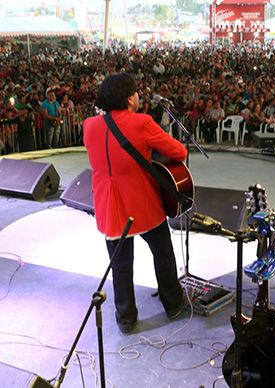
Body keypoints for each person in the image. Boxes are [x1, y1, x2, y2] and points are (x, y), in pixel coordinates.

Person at [83, 73, 187, 334]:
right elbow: (179, 151)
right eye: (136, 93)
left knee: (120, 265)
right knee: (163, 253)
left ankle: (126, 319)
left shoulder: (89, 126)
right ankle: (173, 304)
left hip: (109, 208)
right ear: (130, 98)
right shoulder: (142, 122)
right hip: (143, 205)